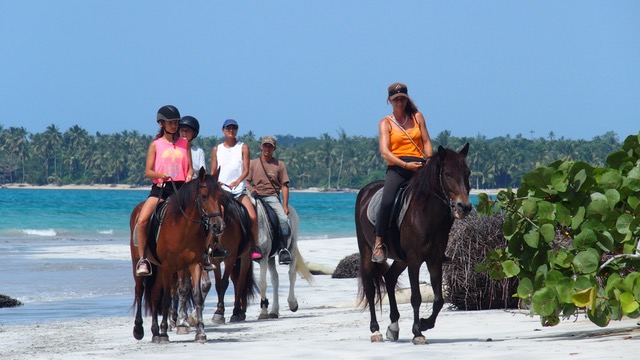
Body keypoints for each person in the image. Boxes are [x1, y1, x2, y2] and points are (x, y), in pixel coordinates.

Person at [372, 83, 434, 263]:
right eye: (396, 99)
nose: (400, 102)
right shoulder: (386, 123)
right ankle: (379, 242)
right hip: (398, 167)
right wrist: (405, 166)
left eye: (402, 99)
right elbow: (385, 152)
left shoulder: (417, 117)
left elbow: (426, 141)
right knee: (387, 201)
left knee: (440, 198)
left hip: (421, 166)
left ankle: (440, 243)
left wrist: (429, 161)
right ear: (389, 101)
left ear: (407, 99)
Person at [135, 105, 194, 276]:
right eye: (171, 123)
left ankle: (205, 254)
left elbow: (190, 168)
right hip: (161, 189)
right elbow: (148, 172)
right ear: (162, 124)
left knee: (203, 217)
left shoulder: (185, 144)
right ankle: (143, 260)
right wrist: (161, 175)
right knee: (142, 220)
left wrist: (189, 176)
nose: (174, 126)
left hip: (182, 189)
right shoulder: (155, 145)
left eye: (176, 122)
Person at [210, 119, 261, 260]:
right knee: (215, 216)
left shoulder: (243, 147)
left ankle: (254, 246)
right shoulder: (216, 149)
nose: (231, 130)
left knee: (253, 217)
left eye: (234, 128)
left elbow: (246, 170)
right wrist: (216, 182)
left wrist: (237, 181)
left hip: (239, 191)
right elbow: (213, 171)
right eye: (228, 128)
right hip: (222, 192)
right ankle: (214, 246)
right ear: (223, 130)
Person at [246, 135, 292, 265]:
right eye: (265, 145)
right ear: (261, 146)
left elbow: (284, 186)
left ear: (274, 148)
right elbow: (247, 181)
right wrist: (251, 190)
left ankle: (283, 249)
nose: (267, 148)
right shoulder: (253, 163)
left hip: (271, 196)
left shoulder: (279, 165)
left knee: (283, 219)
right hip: (255, 195)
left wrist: (286, 205)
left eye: (270, 146)